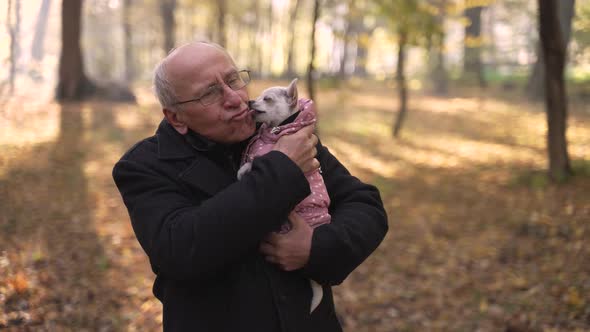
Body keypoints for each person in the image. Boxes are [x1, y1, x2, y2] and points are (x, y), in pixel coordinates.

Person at [112, 41, 388, 332]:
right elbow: (181, 250)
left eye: (233, 80)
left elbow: (366, 206)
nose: (235, 98)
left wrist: (316, 248)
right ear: (176, 117)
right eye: (209, 93)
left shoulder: (279, 132)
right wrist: (282, 168)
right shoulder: (144, 166)